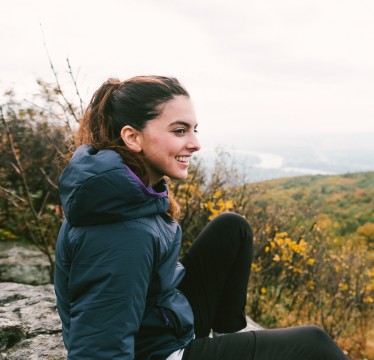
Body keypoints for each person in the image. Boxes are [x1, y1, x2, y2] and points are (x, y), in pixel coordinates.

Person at [54, 75, 349, 360]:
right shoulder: (121, 234)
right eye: (180, 131)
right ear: (133, 137)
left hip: (162, 323)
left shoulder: (128, 190)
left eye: (194, 129)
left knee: (231, 228)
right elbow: (98, 348)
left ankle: (230, 338)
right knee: (313, 344)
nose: (195, 143)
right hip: (157, 352)